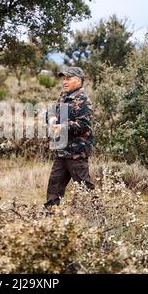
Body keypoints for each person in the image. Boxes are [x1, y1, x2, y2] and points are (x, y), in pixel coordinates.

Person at [45, 66, 95, 208]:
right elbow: (51, 110)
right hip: (61, 152)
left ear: (78, 80)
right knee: (54, 187)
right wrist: (52, 119)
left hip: (76, 154)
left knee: (85, 188)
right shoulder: (63, 96)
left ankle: (97, 217)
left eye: (68, 78)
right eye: (63, 79)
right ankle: (50, 216)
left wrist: (63, 127)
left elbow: (84, 125)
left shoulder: (83, 100)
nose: (64, 82)